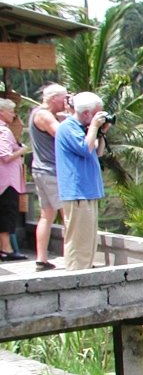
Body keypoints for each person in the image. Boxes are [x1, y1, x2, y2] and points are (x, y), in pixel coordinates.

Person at [55, 91, 110, 271]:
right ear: (86, 113)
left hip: (88, 190)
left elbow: (97, 152)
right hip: (77, 191)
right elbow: (86, 148)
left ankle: (85, 270)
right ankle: (75, 274)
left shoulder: (82, 129)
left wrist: (101, 132)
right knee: (78, 240)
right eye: (97, 114)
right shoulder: (67, 127)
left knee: (88, 239)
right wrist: (94, 127)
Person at [29, 83, 69, 271]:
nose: (66, 101)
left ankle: (41, 258)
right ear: (54, 99)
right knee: (68, 215)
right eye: (64, 98)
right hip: (52, 171)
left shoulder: (37, 113)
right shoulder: (44, 115)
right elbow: (62, 134)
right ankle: (74, 257)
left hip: (40, 169)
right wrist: (70, 117)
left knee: (46, 216)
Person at [0, 98, 28, 262]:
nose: (13, 115)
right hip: (7, 180)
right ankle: (6, 248)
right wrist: (22, 149)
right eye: (10, 111)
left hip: (5, 179)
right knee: (7, 212)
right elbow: (6, 156)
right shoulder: (3, 131)